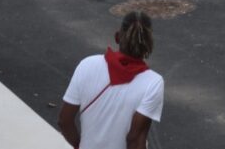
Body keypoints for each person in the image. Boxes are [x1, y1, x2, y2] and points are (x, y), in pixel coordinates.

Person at [59, 11, 164, 149]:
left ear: (117, 37)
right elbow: (135, 139)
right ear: (149, 44)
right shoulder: (153, 83)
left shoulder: (87, 64)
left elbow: (64, 121)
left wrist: (80, 146)